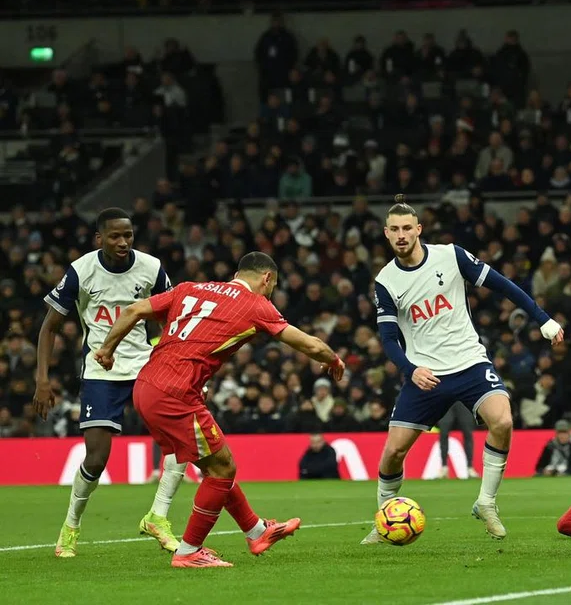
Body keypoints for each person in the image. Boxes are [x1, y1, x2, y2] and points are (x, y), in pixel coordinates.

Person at [93, 251, 345, 568]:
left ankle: (257, 531)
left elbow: (133, 310)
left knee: (217, 466)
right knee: (223, 469)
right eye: (273, 286)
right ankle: (189, 551)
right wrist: (333, 359)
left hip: (146, 386)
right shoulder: (255, 304)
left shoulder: (189, 288)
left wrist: (107, 349)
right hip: (176, 393)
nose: (271, 292)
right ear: (267, 278)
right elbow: (309, 344)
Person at [363, 195, 564, 543]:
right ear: (386, 233)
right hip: (425, 375)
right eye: (394, 229)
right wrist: (411, 370)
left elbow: (503, 285)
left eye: (407, 228)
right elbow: (389, 339)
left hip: (469, 363)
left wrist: (542, 319)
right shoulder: (386, 281)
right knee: (393, 452)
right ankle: (384, 520)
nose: (401, 235)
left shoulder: (451, 256)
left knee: (502, 420)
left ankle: (486, 502)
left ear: (419, 229)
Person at [32, 208, 186, 558]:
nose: (123, 242)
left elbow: (171, 318)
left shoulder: (151, 267)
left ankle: (158, 517)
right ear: (99, 238)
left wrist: (177, 362)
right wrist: (42, 379)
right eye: (114, 236)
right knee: (97, 458)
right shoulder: (81, 270)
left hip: (145, 366)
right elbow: (49, 327)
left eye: (128, 235)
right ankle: (70, 526)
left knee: (181, 441)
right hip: (101, 370)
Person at [433, 401, 479, 479]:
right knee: (443, 433)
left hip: (463, 401)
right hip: (447, 401)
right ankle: (444, 468)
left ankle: (470, 468)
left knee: (468, 433)